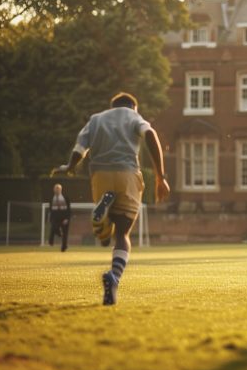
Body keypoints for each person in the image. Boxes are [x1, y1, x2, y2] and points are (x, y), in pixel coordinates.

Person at [53, 92, 170, 305]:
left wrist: (70, 166)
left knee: (105, 234)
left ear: (112, 106)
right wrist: (160, 177)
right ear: (133, 107)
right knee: (123, 233)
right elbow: (150, 134)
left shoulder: (96, 119)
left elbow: (81, 148)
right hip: (127, 174)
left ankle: (102, 221)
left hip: (100, 175)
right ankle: (114, 276)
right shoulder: (134, 117)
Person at [48, 183, 72, 252]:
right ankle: (51, 240)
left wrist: (67, 218)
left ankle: (64, 247)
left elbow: (69, 209)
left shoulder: (65, 198)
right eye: (55, 188)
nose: (57, 190)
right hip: (55, 218)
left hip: (64, 218)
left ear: (61, 189)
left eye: (58, 189)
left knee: (65, 233)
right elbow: (51, 209)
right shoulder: (51, 198)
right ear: (54, 189)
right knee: (54, 228)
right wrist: (51, 218)